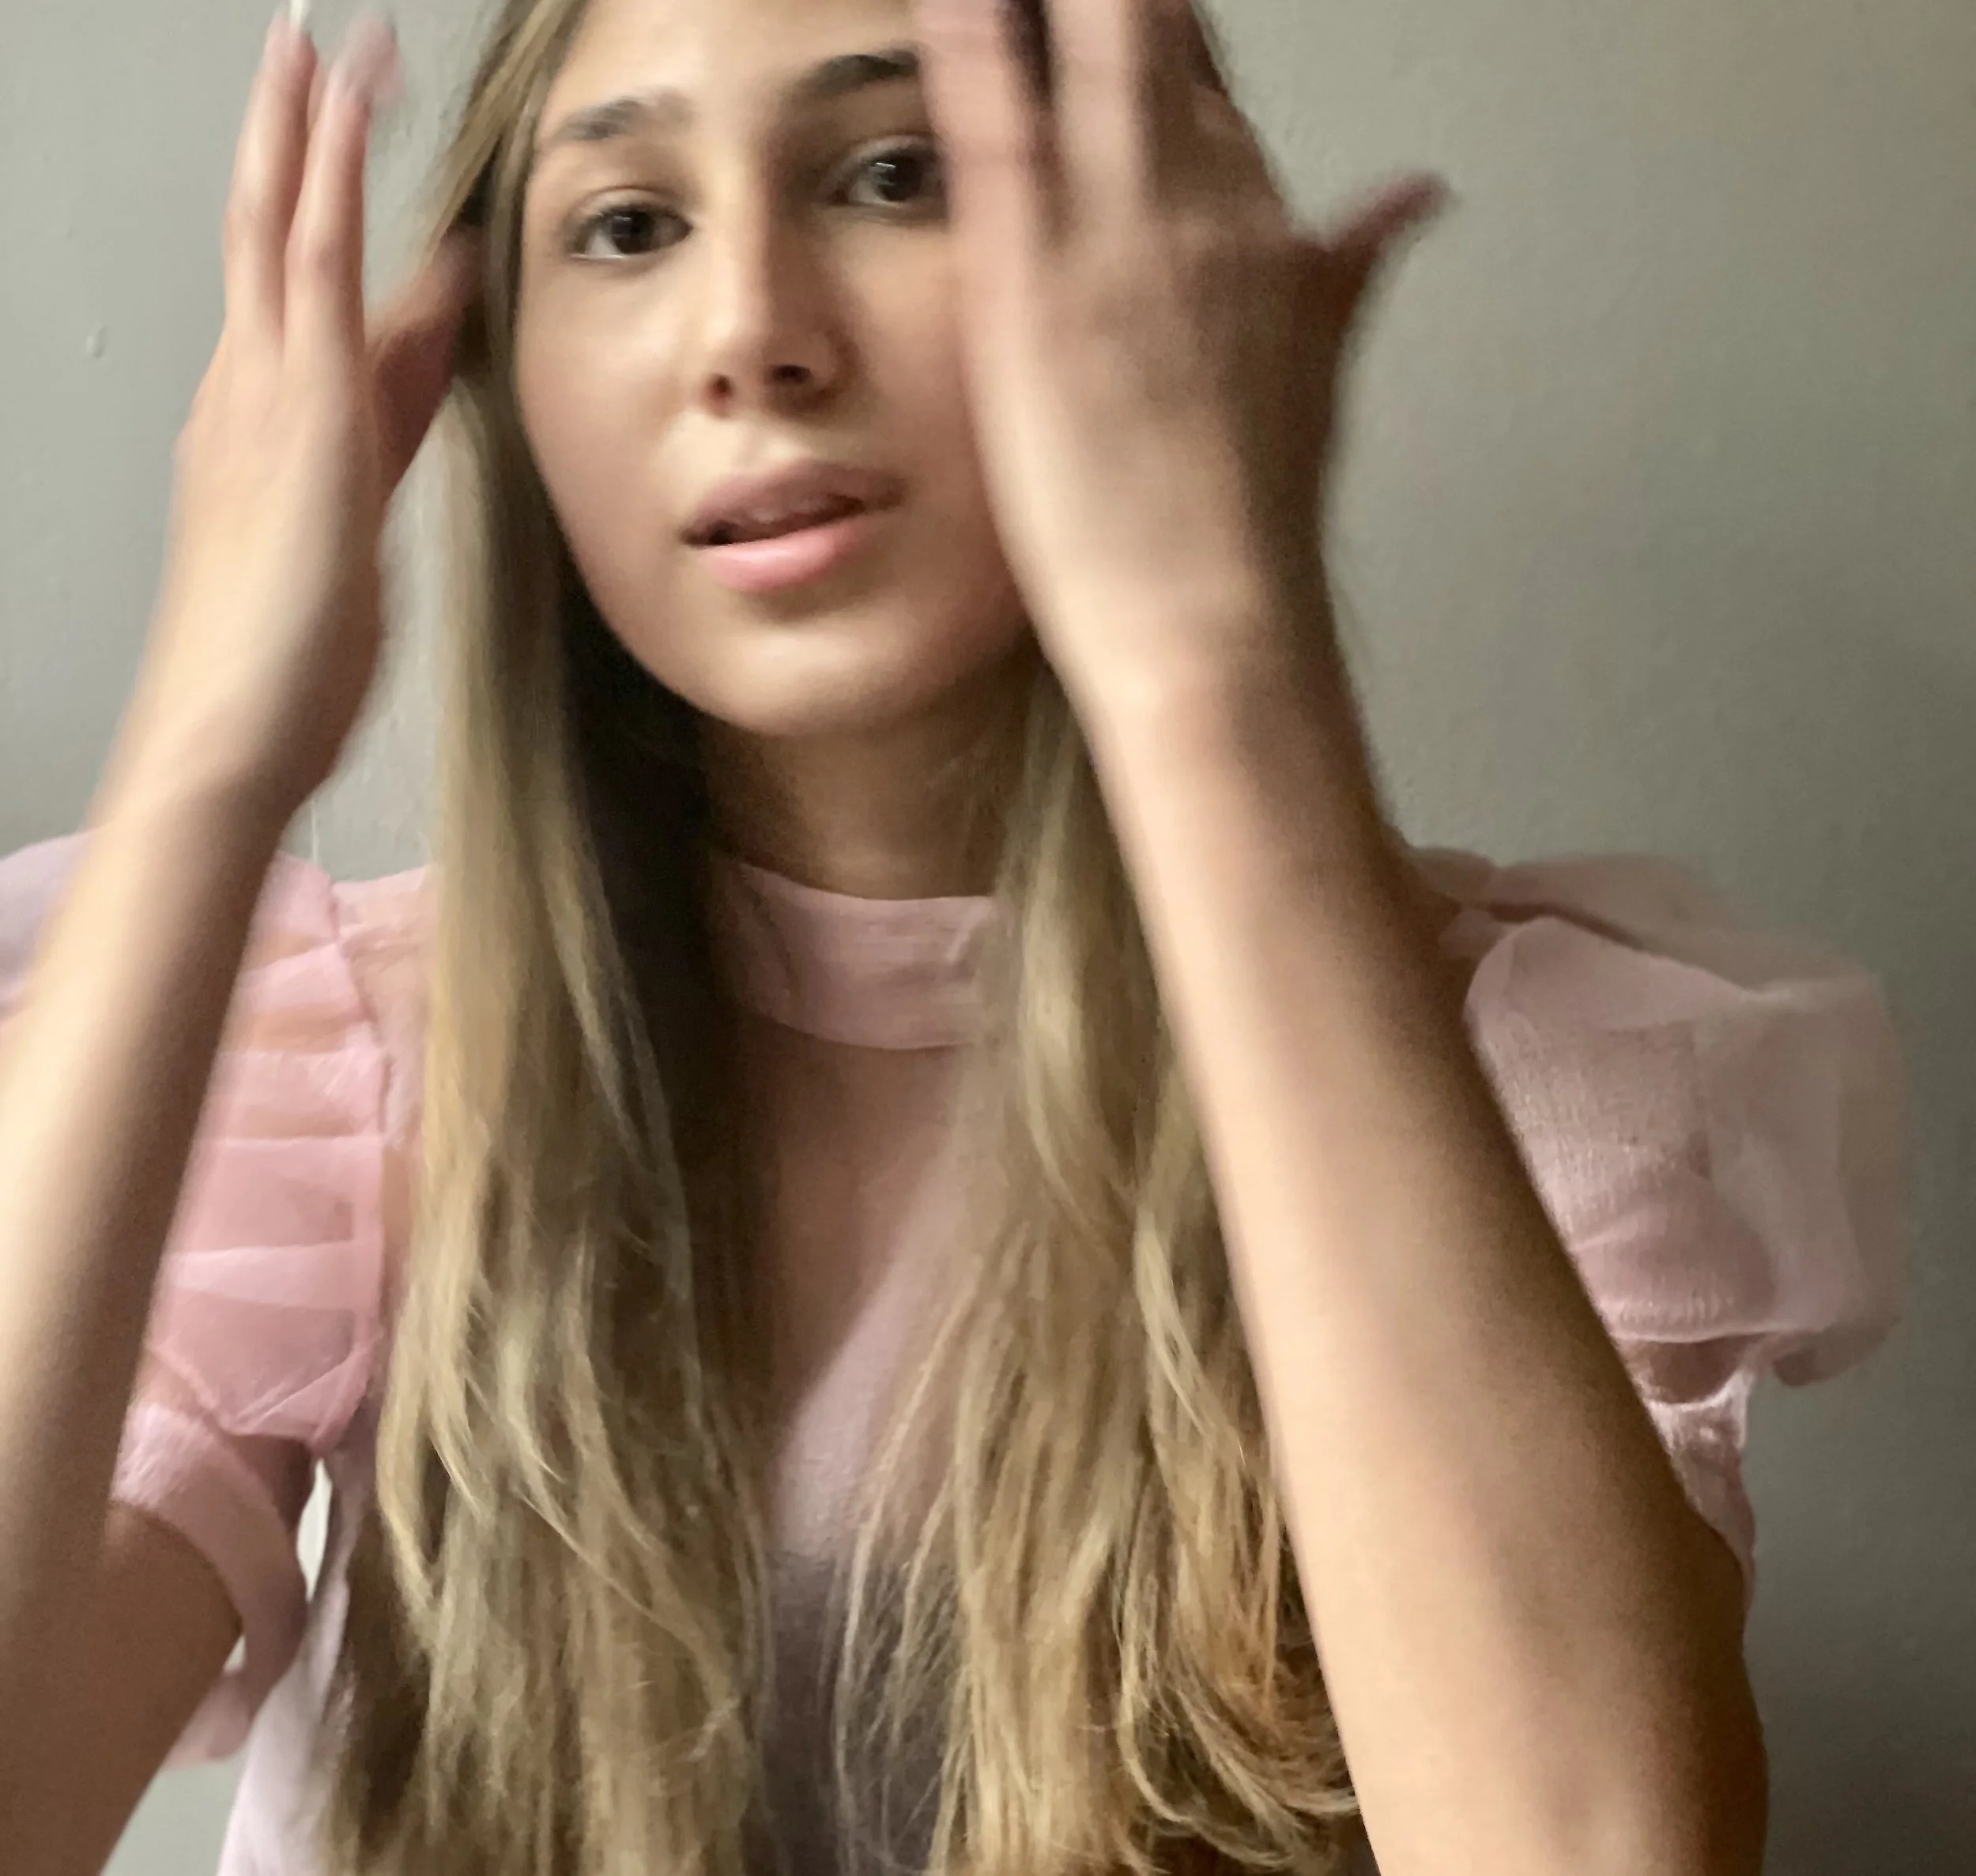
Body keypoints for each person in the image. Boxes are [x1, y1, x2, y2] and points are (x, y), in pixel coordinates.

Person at [0, 2, 1904, 1873]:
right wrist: (207, 759)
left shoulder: (1519, 1088)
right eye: (629, 223)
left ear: (1158, 272)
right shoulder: (344, 1084)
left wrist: (1211, 661)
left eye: (894, 175)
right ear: (507, 375)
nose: (749, 332)